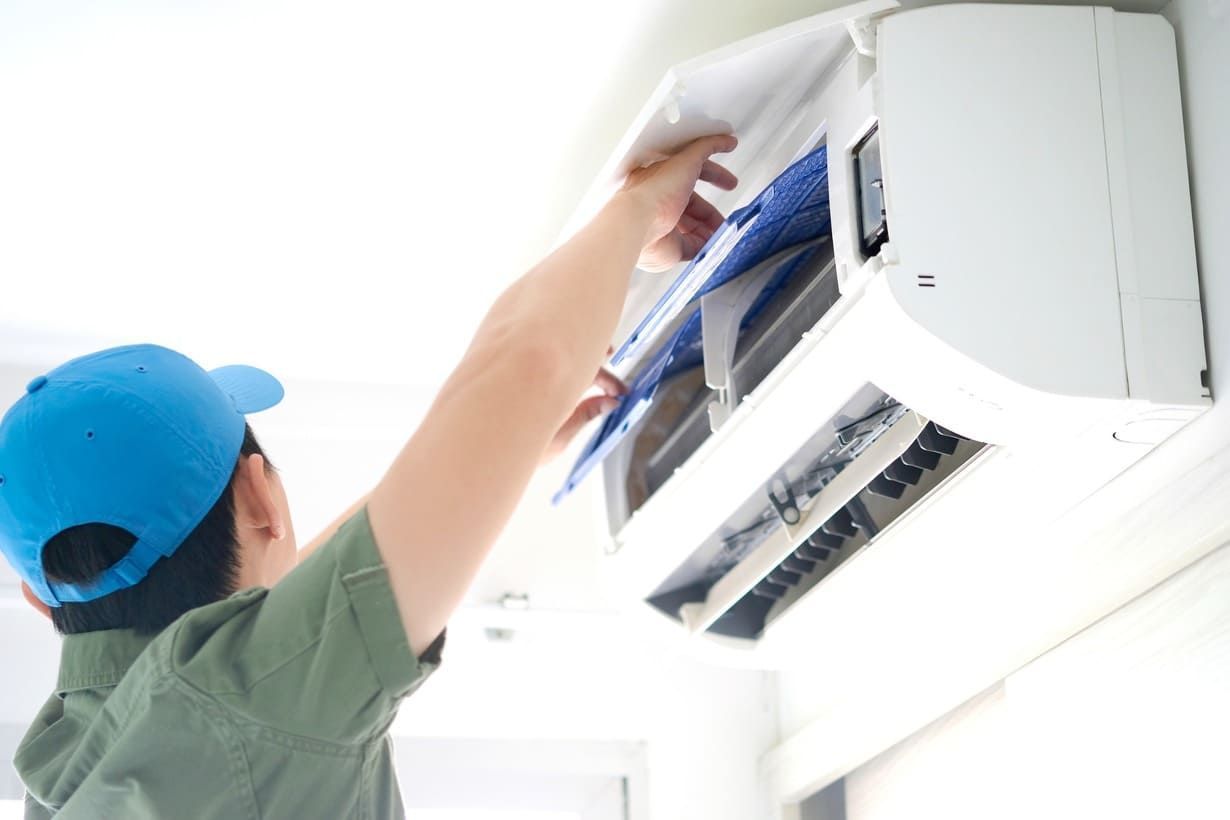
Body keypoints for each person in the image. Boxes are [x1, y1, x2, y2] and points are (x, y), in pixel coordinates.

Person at [0, 134, 738, 818]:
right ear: (261, 496)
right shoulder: (243, 708)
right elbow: (524, 362)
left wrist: (507, 452)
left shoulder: (65, 763)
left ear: (39, 597)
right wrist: (637, 207)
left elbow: (302, 618)